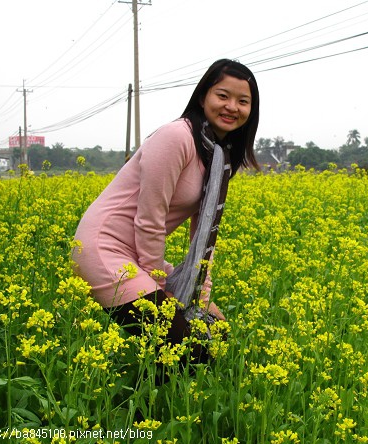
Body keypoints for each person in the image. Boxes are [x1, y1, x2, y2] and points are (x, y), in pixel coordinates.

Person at [72, 59, 260, 347]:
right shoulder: (176, 137)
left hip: (136, 253)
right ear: (203, 97)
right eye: (223, 96)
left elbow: (204, 235)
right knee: (186, 347)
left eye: (242, 101)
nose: (232, 107)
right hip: (105, 249)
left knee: (216, 334)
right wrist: (160, 288)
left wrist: (201, 298)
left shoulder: (218, 155)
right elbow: (150, 218)